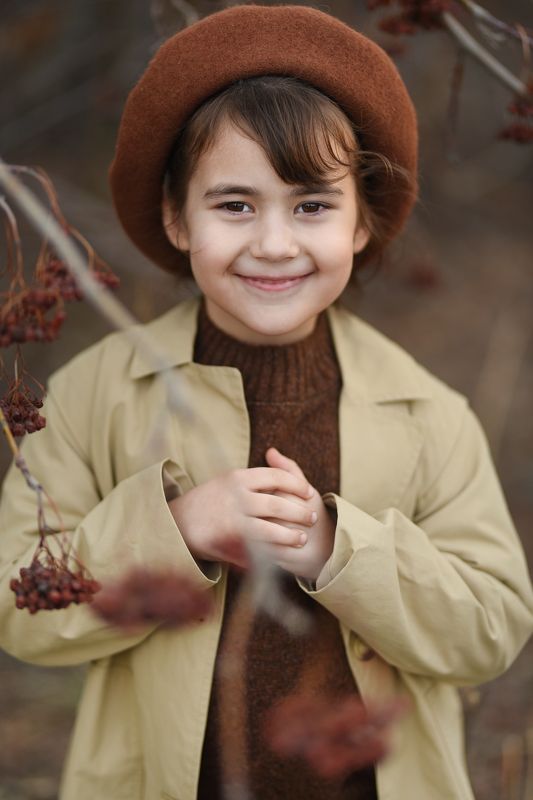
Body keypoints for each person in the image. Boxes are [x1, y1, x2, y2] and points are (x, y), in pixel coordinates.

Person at [0, 5, 532, 800]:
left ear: (362, 222)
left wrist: (336, 552)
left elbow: (489, 631)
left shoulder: (428, 413)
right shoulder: (94, 395)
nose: (275, 243)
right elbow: (20, 613)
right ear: (178, 217)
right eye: (235, 205)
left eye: (312, 205)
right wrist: (172, 531)